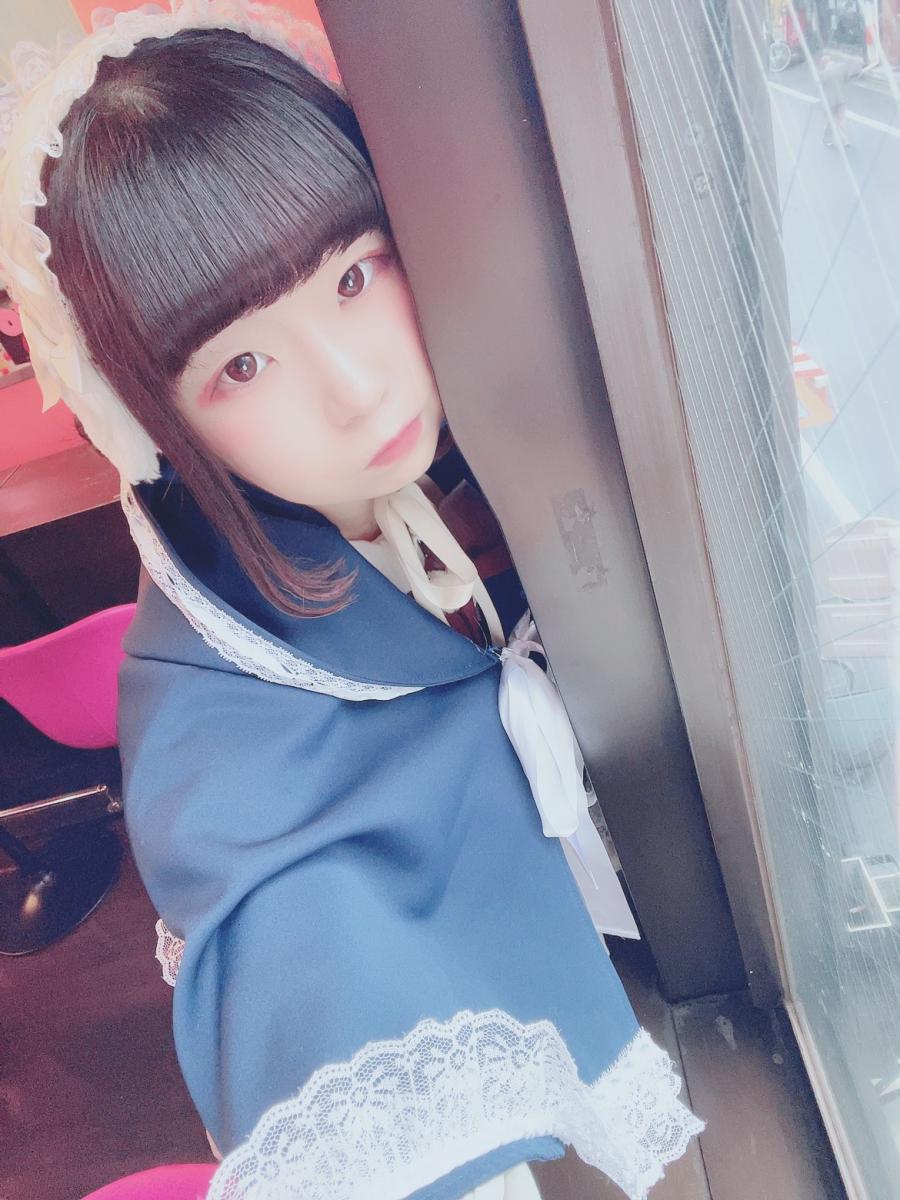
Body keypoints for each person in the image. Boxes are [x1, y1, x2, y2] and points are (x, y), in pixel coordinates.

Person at [0, 3, 704, 1198]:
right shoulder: (241, 789)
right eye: (241, 363)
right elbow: (299, 950)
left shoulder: (476, 456)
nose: (355, 385)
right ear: (152, 424)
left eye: (353, 273)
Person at [816, 51, 860, 147]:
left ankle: (827, 139)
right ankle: (845, 140)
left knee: (830, 122)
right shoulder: (842, 67)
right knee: (841, 120)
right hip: (841, 99)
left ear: (823, 64)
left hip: (829, 102)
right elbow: (846, 79)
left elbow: (820, 86)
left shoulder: (823, 74)